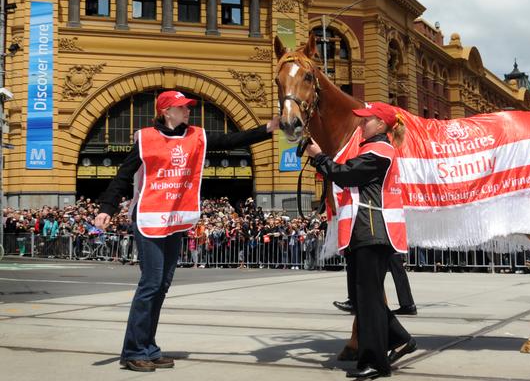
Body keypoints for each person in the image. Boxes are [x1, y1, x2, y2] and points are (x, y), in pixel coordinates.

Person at [95, 90, 279, 372]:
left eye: (188, 107)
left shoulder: (196, 135)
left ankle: (149, 347)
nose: (188, 111)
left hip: (175, 220)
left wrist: (268, 128)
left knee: (162, 285)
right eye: (182, 107)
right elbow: (122, 176)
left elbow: (231, 140)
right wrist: (106, 208)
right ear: (166, 111)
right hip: (149, 218)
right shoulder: (145, 138)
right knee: (151, 284)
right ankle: (133, 350)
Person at [305, 101, 417, 379]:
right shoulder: (372, 149)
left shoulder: (379, 151)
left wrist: (320, 157)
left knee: (367, 299)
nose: (360, 124)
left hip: (371, 231)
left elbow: (346, 175)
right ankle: (400, 339)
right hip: (365, 231)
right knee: (365, 298)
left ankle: (375, 362)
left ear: (381, 125)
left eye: (366, 120)